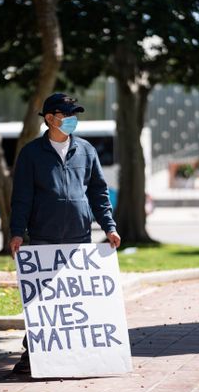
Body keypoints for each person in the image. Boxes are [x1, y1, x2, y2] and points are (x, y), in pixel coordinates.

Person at [9, 92, 121, 374]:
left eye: (74, 115)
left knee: (75, 300)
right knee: (44, 299)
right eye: (66, 115)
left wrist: (109, 227)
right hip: (44, 235)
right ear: (49, 119)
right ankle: (31, 354)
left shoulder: (86, 150)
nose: (72, 120)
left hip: (79, 235)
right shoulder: (31, 153)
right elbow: (21, 196)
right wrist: (17, 232)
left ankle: (78, 353)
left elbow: (98, 191)